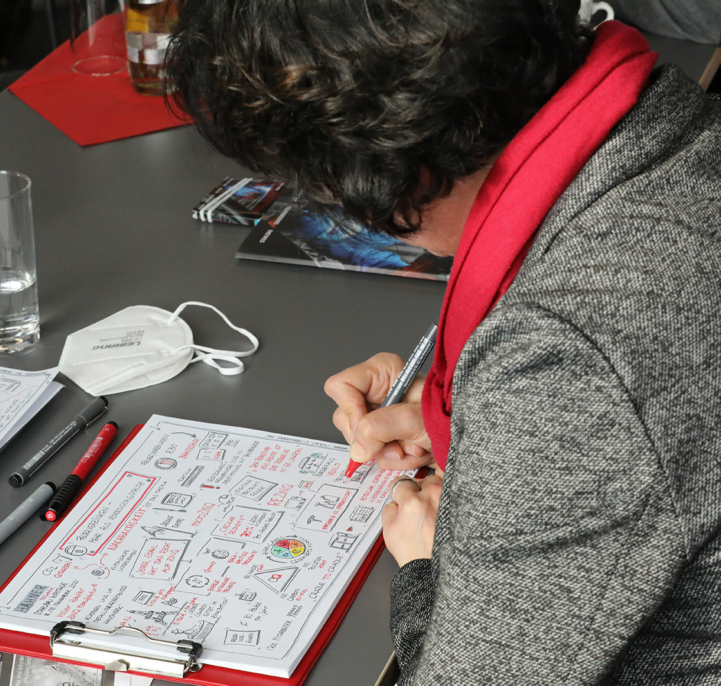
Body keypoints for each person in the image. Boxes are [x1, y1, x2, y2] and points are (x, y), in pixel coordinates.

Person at [167, 0, 721, 683]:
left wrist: (429, 566)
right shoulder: (672, 132)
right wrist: (475, 423)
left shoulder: (571, 350)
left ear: (385, 166)